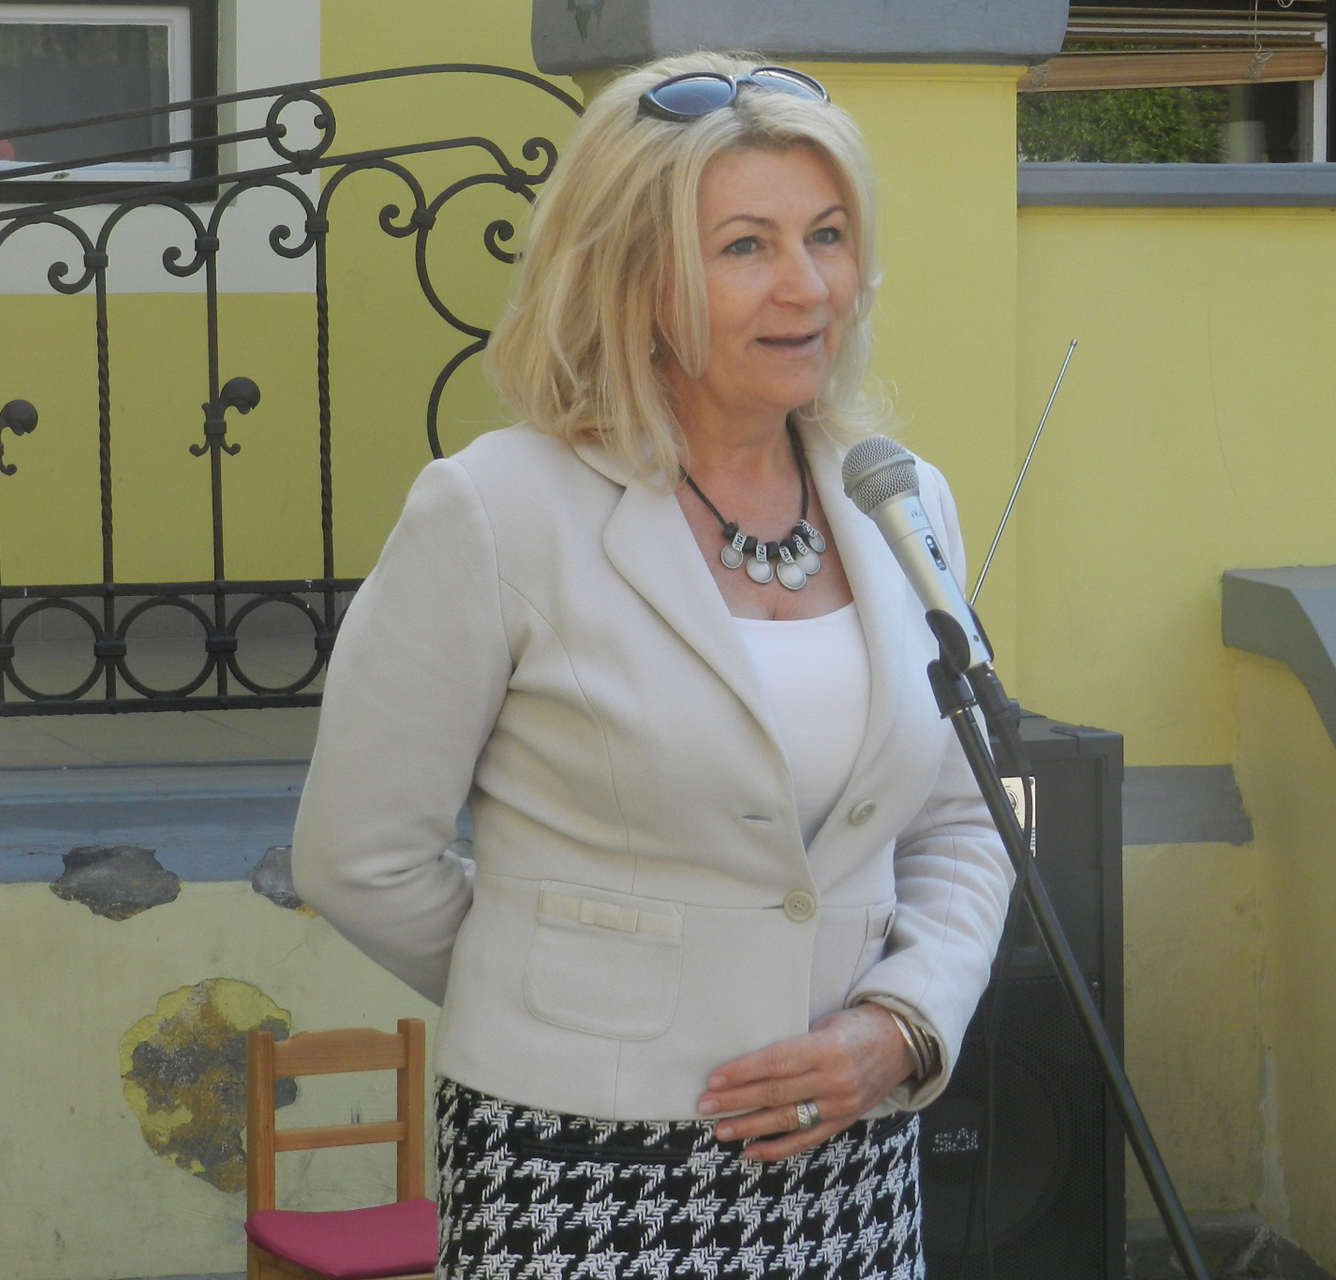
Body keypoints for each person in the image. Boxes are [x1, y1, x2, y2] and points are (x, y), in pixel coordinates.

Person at [293, 50, 1013, 1280]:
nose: (805, 285)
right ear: (634, 279)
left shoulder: (900, 499)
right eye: (744, 246)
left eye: (826, 235)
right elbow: (358, 857)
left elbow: (967, 817)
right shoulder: (494, 509)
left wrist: (901, 1025)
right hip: (574, 1155)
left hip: (844, 1140)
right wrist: (582, 992)